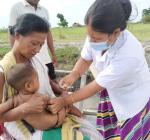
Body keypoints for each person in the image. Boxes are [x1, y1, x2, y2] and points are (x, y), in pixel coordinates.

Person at [50, 0, 150, 139]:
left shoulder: (129, 55)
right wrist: (74, 74)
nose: (91, 42)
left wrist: (65, 101)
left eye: (96, 39)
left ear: (115, 33)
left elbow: (96, 86)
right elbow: (86, 58)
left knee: (129, 133)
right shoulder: (96, 34)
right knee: (110, 132)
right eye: (89, 36)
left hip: (132, 97)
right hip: (112, 90)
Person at [0, 13, 101, 140]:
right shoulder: (4, 70)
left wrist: (63, 94)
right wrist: (25, 108)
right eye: (34, 43)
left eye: (41, 45)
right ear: (18, 36)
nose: (37, 50)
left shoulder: (34, 59)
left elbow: (48, 81)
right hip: (25, 123)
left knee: (92, 134)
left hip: (52, 110)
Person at [8, 0, 58, 80]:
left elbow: (48, 34)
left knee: (51, 81)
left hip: (45, 58)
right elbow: (12, 32)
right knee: (30, 85)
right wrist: (16, 58)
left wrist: (53, 54)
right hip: (27, 59)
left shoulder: (44, 11)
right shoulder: (17, 8)